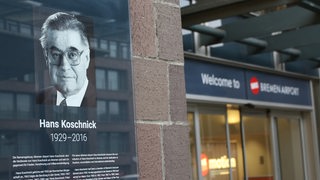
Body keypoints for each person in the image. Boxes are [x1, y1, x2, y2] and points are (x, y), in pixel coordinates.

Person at [36, 12, 95, 107]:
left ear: (87, 59)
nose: (64, 66)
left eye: (72, 55)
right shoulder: (40, 98)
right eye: (56, 55)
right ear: (46, 58)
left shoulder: (103, 101)